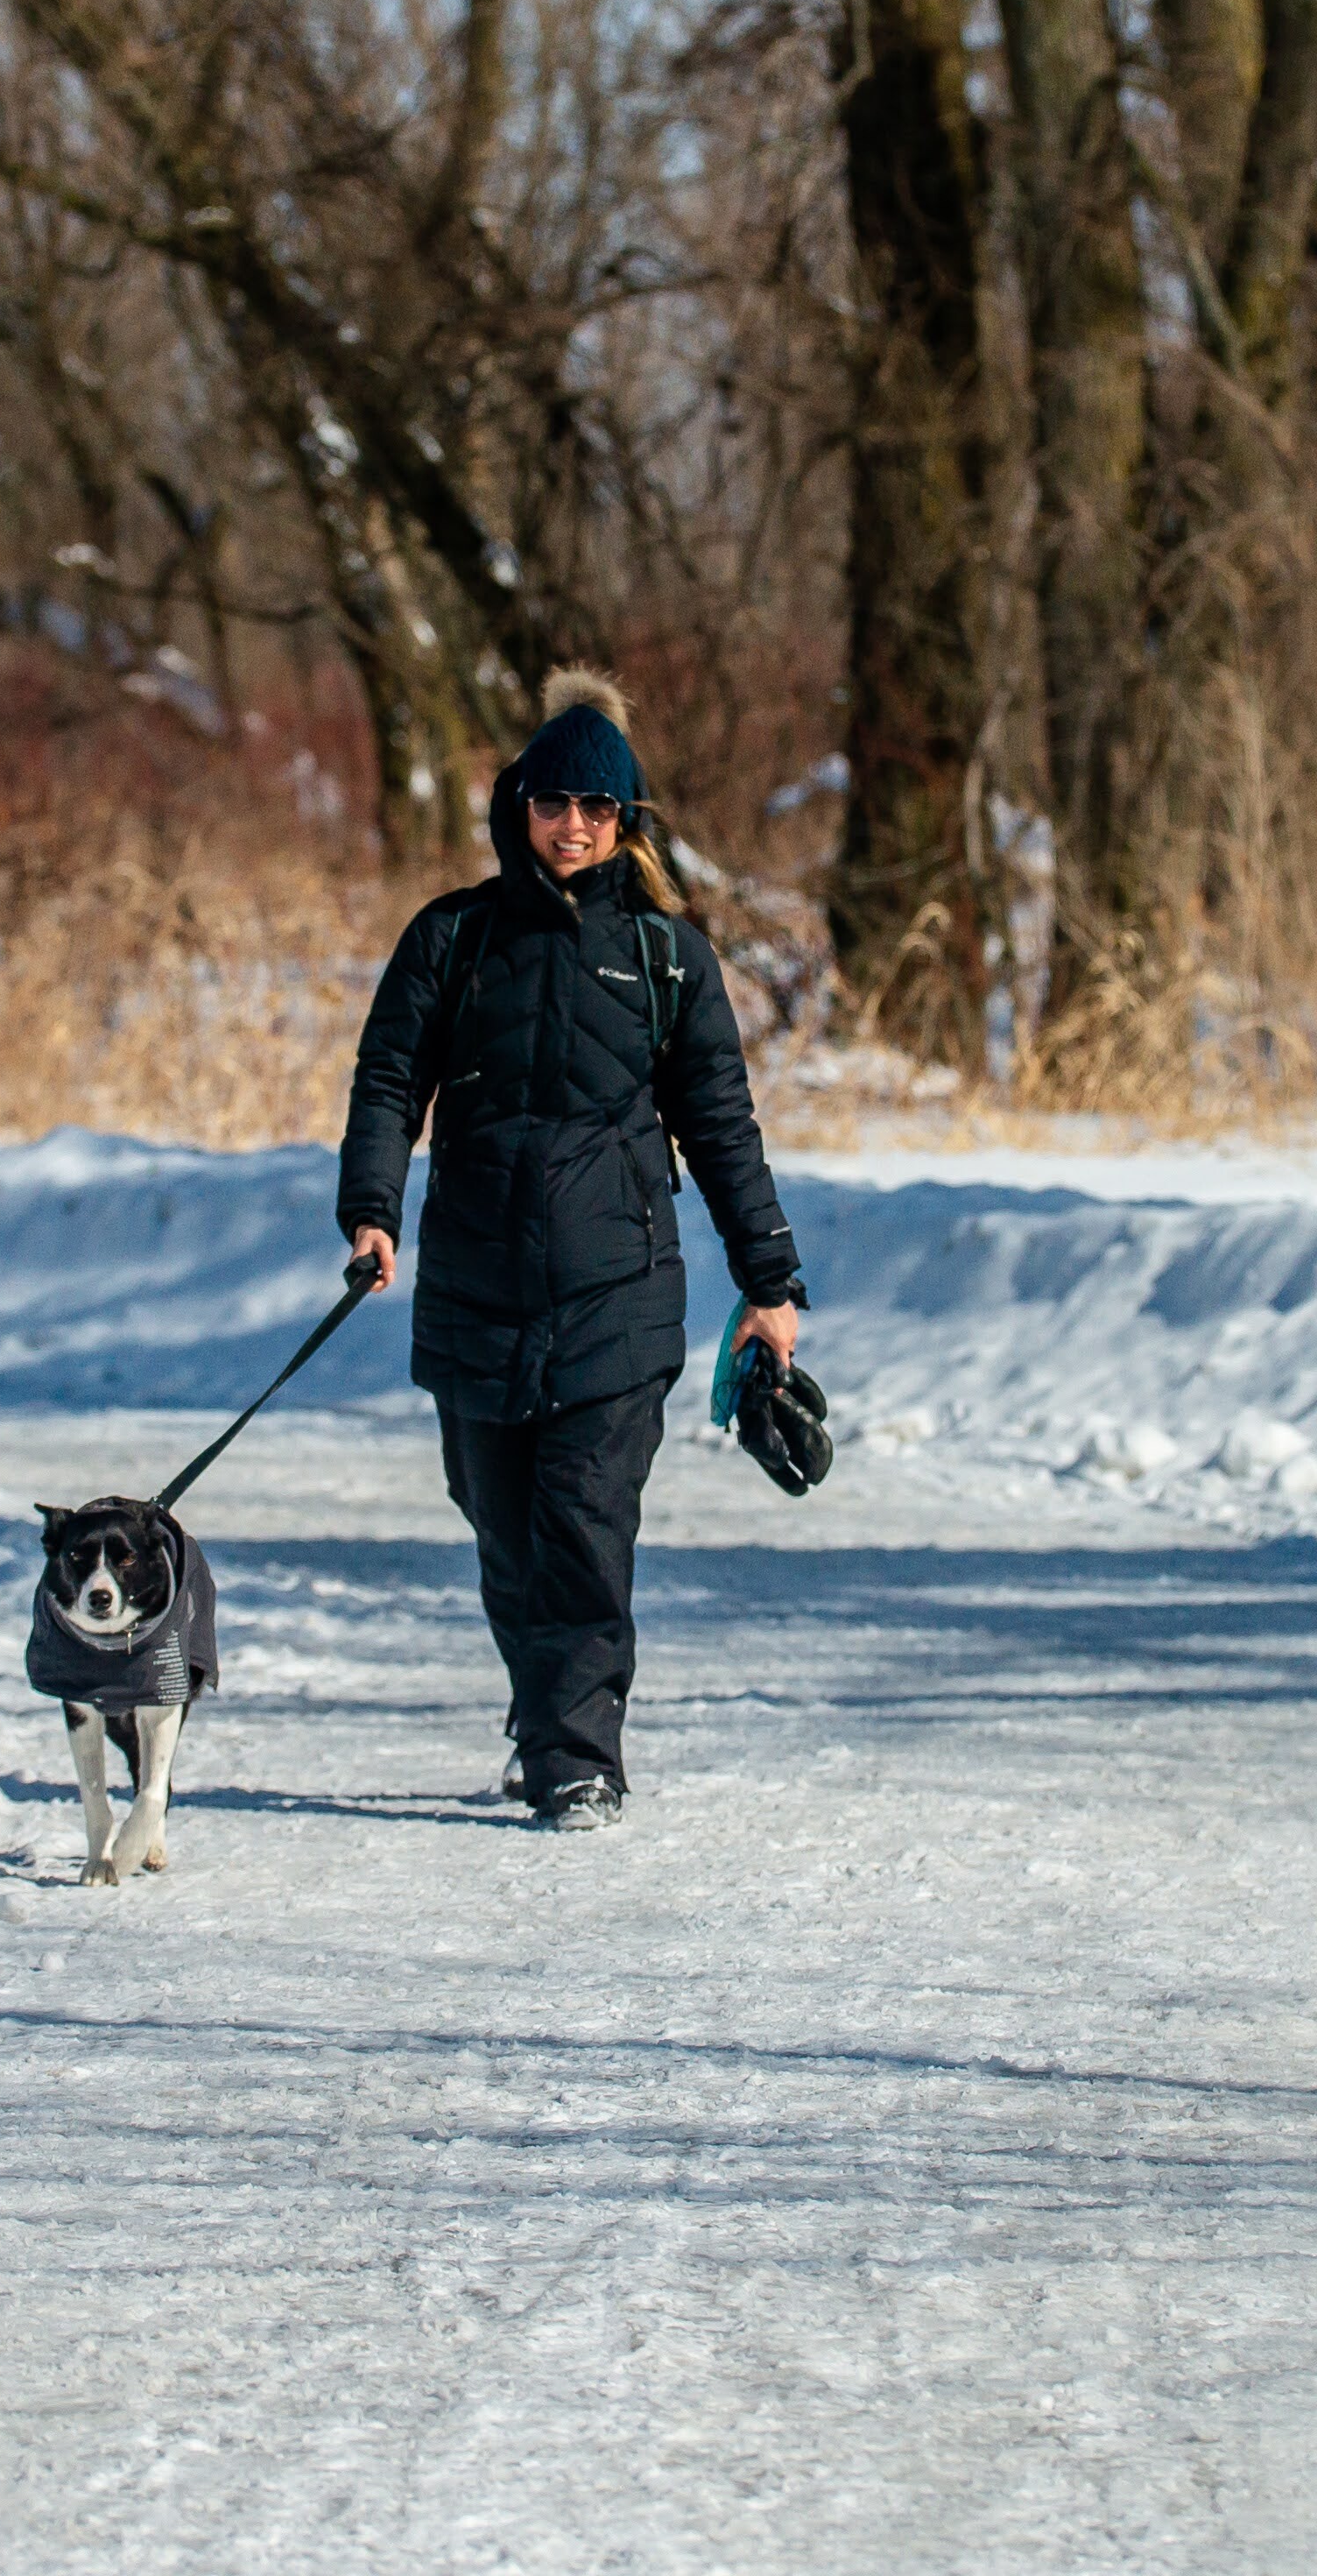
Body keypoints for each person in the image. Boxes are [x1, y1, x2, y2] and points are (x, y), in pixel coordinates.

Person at [336, 666, 807, 1832]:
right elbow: (391, 1081)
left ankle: (578, 1753)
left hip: (621, 1290)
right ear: (520, 805)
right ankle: (541, 1704)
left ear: (627, 822)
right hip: (476, 1282)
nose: (575, 826)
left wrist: (771, 1282)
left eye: (598, 810)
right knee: (497, 1520)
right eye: (555, 803)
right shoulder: (453, 938)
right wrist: (372, 1208)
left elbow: (721, 1126)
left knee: (586, 1525)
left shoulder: (668, 959)